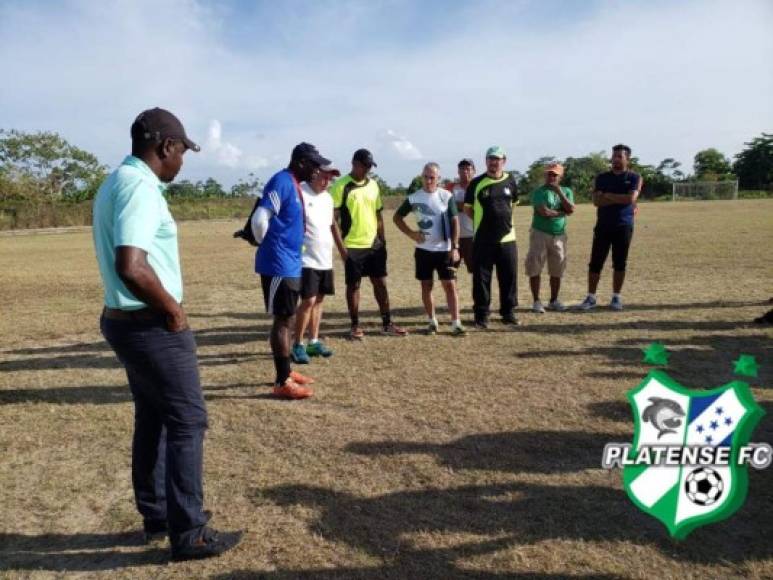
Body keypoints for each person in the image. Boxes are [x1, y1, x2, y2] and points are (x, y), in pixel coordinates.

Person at [93, 108, 241, 561]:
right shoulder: (140, 188)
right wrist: (173, 310)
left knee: (154, 417)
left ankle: (158, 512)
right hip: (150, 324)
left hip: (125, 321)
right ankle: (189, 532)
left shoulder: (115, 180)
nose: (182, 162)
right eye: (182, 152)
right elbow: (132, 266)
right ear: (165, 147)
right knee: (187, 421)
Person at [251, 142, 330, 398]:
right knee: (282, 321)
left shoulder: (295, 185)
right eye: (314, 165)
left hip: (291, 263)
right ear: (300, 163)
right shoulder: (281, 181)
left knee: (289, 317)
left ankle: (286, 373)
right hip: (278, 265)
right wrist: (272, 248)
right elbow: (260, 219)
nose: (318, 170)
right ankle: (282, 381)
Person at [330, 148, 407, 339]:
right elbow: (332, 220)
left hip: (374, 245)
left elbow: (378, 214)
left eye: (370, 166)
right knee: (354, 286)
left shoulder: (373, 185)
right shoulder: (340, 186)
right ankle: (355, 325)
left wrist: (383, 241)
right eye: (364, 166)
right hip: (353, 246)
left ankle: (387, 323)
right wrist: (342, 250)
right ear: (354, 164)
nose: (367, 170)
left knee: (380, 282)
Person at [394, 162, 465, 336]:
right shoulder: (414, 198)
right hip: (423, 251)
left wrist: (454, 247)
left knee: (450, 285)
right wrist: (411, 234)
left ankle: (456, 323)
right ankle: (431, 320)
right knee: (426, 286)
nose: (428, 180)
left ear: (438, 178)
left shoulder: (446, 196)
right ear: (421, 177)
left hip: (444, 250)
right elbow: (397, 217)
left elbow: (455, 221)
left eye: (432, 177)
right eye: (425, 177)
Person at [291, 164, 345, 363]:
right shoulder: (300, 192)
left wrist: (342, 251)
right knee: (308, 301)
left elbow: (332, 226)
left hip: (325, 258)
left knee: (319, 300)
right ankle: (297, 344)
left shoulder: (328, 198)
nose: (327, 182)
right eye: (324, 177)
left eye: (330, 179)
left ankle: (313, 341)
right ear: (314, 174)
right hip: (306, 259)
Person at [576, 144, 641, 311]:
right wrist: (618, 197)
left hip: (623, 225)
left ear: (628, 158)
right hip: (603, 225)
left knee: (619, 263)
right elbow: (596, 202)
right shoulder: (602, 178)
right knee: (595, 263)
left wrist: (607, 195)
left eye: (620, 156)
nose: (615, 159)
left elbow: (630, 199)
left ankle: (616, 297)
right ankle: (591, 297)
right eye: (614, 156)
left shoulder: (634, 177)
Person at [463, 146, 520, 328]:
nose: (493, 162)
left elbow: (514, 204)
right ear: (485, 161)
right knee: (481, 279)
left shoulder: (511, 180)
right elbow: (467, 209)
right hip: (483, 240)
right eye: (490, 159)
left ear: (504, 161)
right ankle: (481, 315)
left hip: (507, 240)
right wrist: (483, 222)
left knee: (509, 278)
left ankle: (508, 313)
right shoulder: (476, 183)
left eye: (497, 159)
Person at [525, 162, 575, 313]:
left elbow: (571, 208)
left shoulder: (566, 191)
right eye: (549, 174)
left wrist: (559, 192)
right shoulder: (539, 192)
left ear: (560, 176)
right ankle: (536, 301)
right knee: (535, 266)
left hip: (559, 235)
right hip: (540, 233)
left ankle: (554, 300)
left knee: (557, 268)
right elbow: (543, 212)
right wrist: (561, 213)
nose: (551, 177)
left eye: (554, 174)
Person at [450, 158, 476, 273]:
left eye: (468, 169)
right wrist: (467, 206)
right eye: (462, 169)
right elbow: (445, 207)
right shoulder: (450, 188)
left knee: (477, 273)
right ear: (458, 171)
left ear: (474, 171)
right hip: (454, 238)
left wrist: (457, 206)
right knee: (450, 272)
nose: (465, 171)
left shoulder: (478, 188)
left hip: (474, 237)